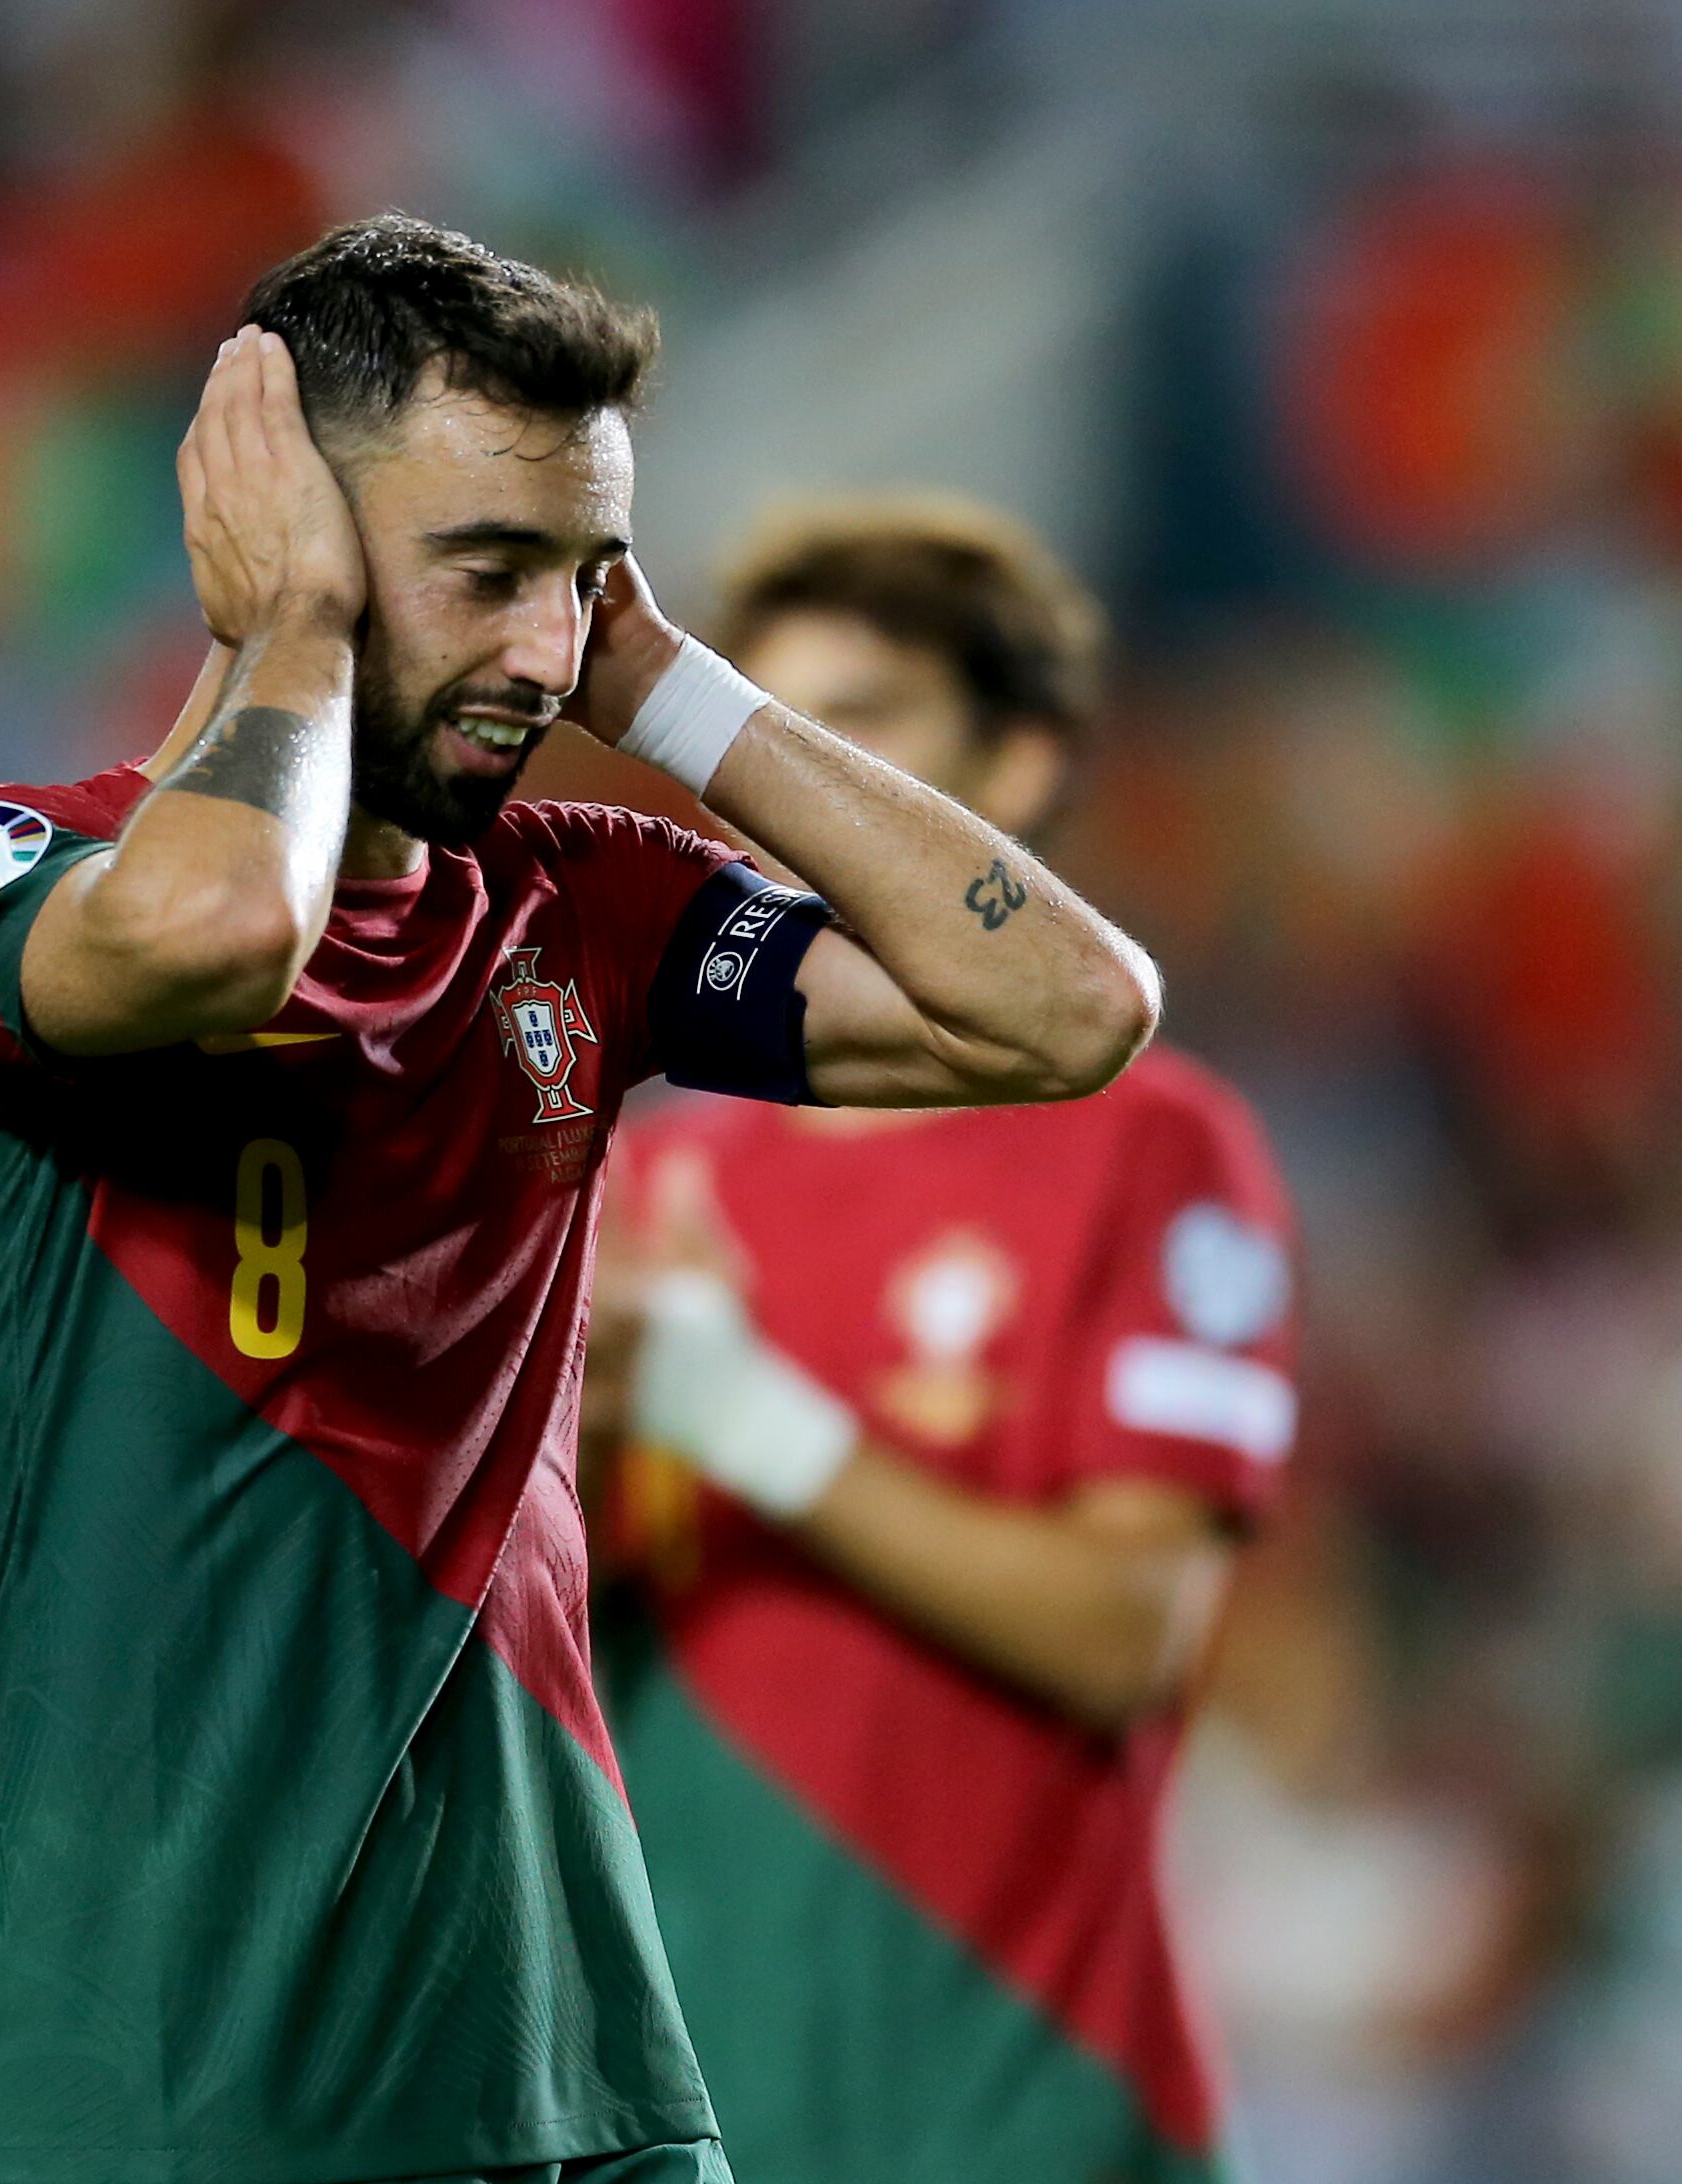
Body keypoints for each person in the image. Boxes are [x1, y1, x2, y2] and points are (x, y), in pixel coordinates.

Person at [0, 215, 1161, 2184]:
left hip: (577, 2080)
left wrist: (670, 690)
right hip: (173, 2102)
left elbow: (1066, 1007)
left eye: (584, 579)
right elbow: (219, 935)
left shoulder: (578, 905)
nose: (543, 653)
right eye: (486, 574)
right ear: (277, 524)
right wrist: (293, 630)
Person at [586, 497, 1301, 2184]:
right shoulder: (652, 1166)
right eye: (766, 733)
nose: (802, 789)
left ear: (1026, 765)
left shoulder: (1155, 1145)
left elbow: (1130, 1633)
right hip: (688, 2097)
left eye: (867, 723)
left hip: (1015, 2101)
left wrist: (754, 1423)